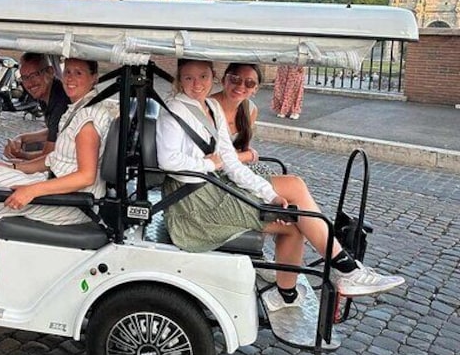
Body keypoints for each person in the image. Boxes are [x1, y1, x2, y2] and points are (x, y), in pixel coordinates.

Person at [155, 59, 403, 309]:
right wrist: (210, 164)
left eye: (202, 77)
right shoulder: (175, 109)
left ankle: (286, 296)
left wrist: (269, 195)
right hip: (194, 202)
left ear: (213, 76)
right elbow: (168, 161)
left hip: (214, 187)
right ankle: (346, 268)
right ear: (179, 78)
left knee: (294, 222)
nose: (196, 84)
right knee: (294, 189)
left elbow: (230, 162)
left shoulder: (211, 107)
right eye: (188, 78)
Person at [0, 58, 114, 289]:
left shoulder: (87, 121)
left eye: (78, 73)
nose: (69, 78)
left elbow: (85, 176)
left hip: (72, 205)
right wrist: (13, 168)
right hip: (63, 191)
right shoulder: (80, 109)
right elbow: (52, 160)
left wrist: (32, 190)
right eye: (67, 72)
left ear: (94, 77)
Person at [3, 53, 70, 161]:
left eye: (34, 75)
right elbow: (54, 130)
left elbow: (48, 157)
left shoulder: (60, 101)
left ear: (50, 72)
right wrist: (22, 138)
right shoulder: (46, 93)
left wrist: (21, 156)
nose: (29, 83)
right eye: (24, 77)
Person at [210, 63, 262, 165]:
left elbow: (241, 148)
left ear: (255, 89)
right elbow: (208, 157)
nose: (241, 86)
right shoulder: (207, 107)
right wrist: (249, 155)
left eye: (250, 83)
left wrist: (244, 155)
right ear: (224, 80)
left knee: (294, 180)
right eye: (235, 79)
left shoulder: (251, 110)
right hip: (211, 172)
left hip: (236, 167)